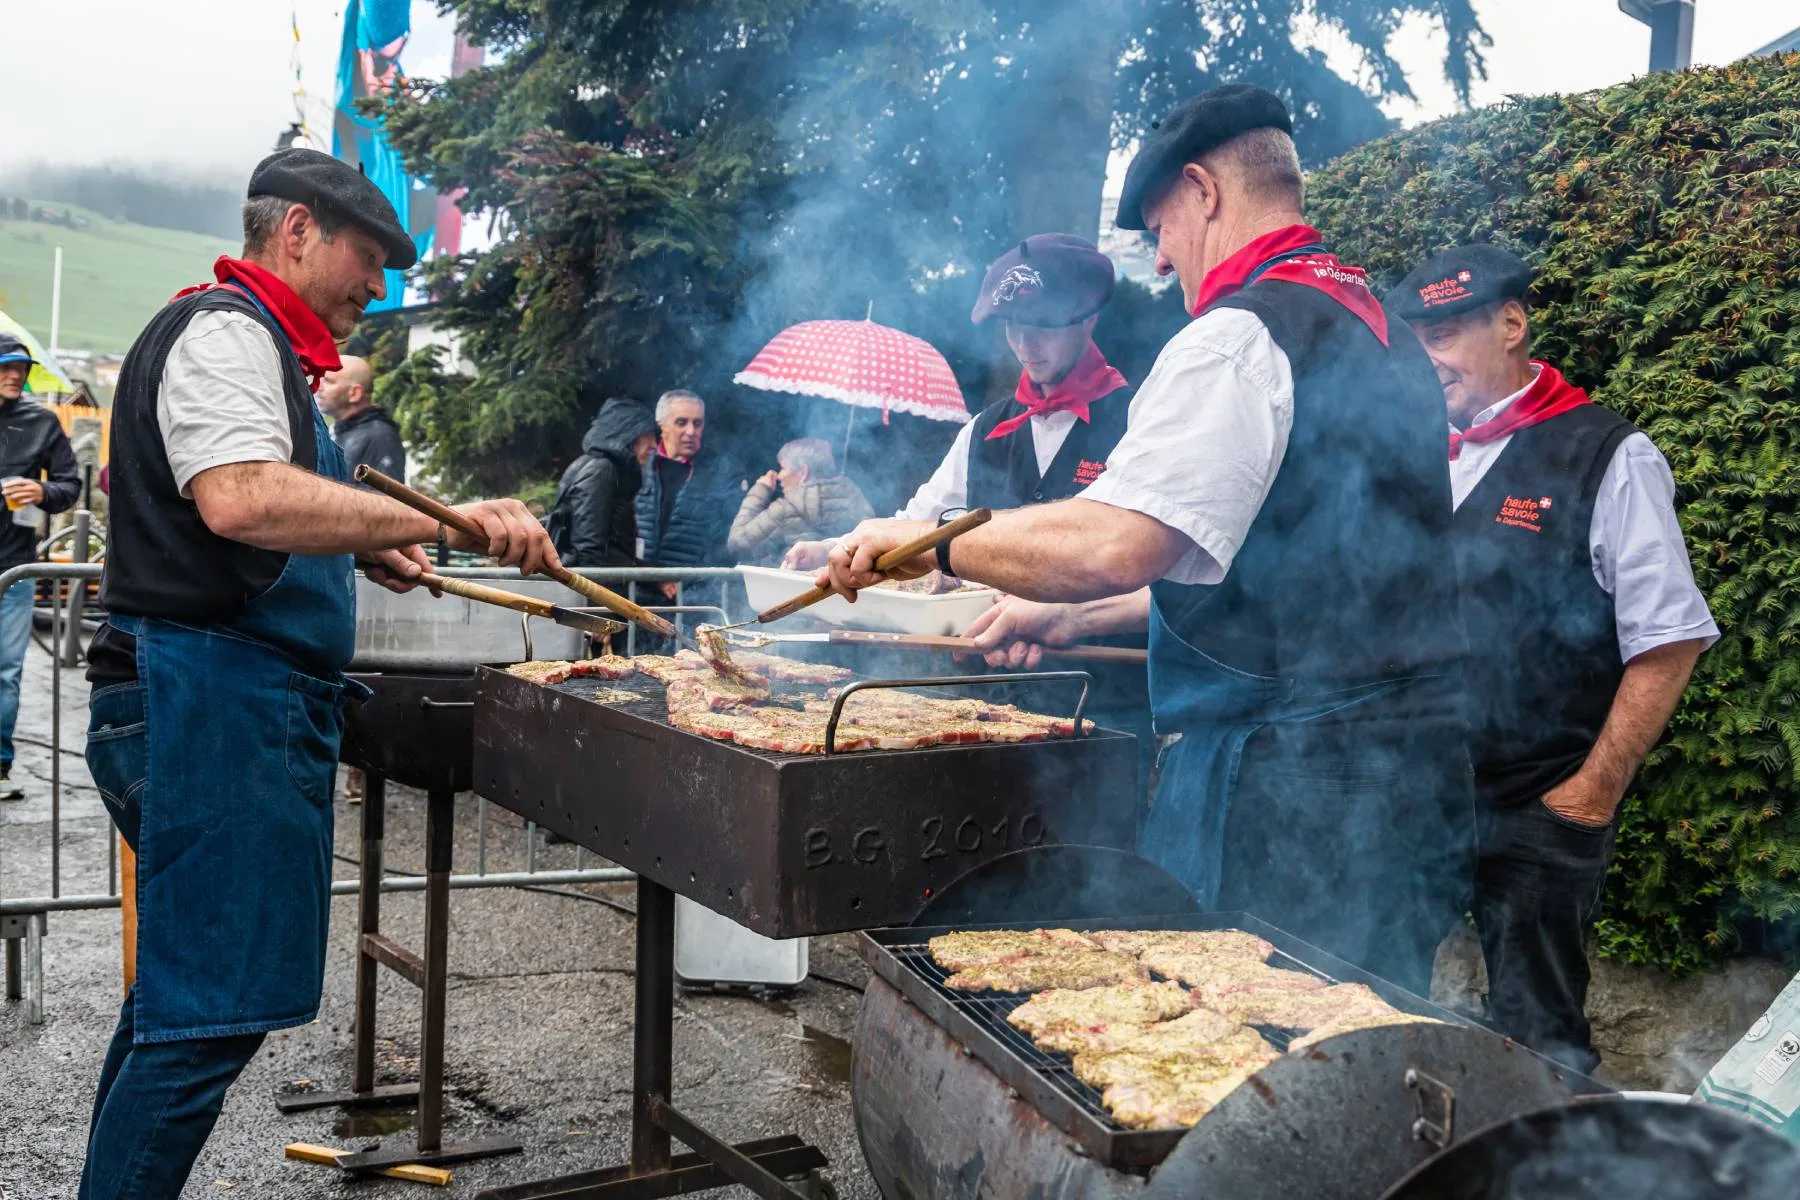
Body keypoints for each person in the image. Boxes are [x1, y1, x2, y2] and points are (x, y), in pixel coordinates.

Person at [822, 86, 1473, 994]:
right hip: (1408, 775)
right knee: (1359, 1049)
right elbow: (1259, 561)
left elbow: (1112, 545)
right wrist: (1074, 624)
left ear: (1204, 191)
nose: (1161, 261)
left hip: (1295, 793)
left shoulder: (1239, 335)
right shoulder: (1378, 326)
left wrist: (929, 540)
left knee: (1247, 1051)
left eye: (1160, 226)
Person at [79, 147, 560, 1198]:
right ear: (296, 233)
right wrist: (449, 518)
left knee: (184, 1008)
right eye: (368, 258)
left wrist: (354, 539)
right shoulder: (225, 330)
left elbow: (265, 511)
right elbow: (242, 499)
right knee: (209, 1016)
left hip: (222, 703)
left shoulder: (263, 353)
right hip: (201, 702)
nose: (378, 288)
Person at [1390, 244, 1718, 1072]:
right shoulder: (1416, 457)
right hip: (1414, 799)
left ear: (1511, 324)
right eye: (1419, 338)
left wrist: (1588, 795)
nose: (1429, 359)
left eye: (1449, 334)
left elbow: (1669, 639)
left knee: (1540, 1044)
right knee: (1368, 999)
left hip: (1543, 803)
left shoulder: (1608, 455)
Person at [783, 232, 1133, 566]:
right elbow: (919, 521)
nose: (1026, 345)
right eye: (1013, 326)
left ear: (1088, 320)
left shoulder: (1136, 420)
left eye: (1043, 326)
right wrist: (835, 549)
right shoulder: (982, 429)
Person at [0, 333, 80, 801]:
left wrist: (42, 493)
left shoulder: (42, 421)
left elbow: (69, 485)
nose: (15, 375)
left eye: (22, 368)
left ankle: (0, 766)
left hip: (14, 566)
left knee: (6, 670)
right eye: (6, 366)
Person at [635, 389, 741, 601]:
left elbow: (726, 537)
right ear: (661, 425)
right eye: (681, 422)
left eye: (697, 423)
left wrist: (692, 579)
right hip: (637, 590)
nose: (691, 431)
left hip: (693, 596)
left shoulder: (722, 471)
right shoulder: (640, 465)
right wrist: (652, 576)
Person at [546, 396, 661, 567]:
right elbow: (589, 550)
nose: (654, 445)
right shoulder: (602, 470)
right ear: (626, 435)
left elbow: (612, 548)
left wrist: (652, 577)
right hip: (592, 588)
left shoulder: (603, 468)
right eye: (647, 435)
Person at [728, 437, 872, 565]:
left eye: (783, 468)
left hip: (797, 591)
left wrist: (760, 490)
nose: (779, 476)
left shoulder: (786, 507)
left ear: (803, 472)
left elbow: (738, 543)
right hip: (847, 589)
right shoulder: (856, 498)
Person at [316, 354, 405, 483]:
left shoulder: (380, 436)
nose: (319, 386)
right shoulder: (336, 430)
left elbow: (384, 498)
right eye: (320, 378)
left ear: (354, 393)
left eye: (329, 381)